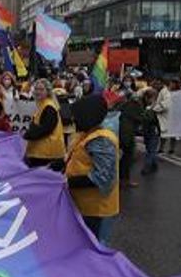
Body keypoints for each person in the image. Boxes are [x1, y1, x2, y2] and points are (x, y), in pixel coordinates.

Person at [65, 94, 120, 242]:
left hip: (96, 210)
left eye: (77, 116)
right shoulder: (87, 133)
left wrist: (68, 182)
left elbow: (103, 178)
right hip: (84, 205)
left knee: (93, 251)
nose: (74, 120)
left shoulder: (101, 139)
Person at [23, 78, 65, 171]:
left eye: (41, 89)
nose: (38, 92)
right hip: (42, 152)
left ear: (48, 91)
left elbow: (46, 128)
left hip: (47, 154)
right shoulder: (42, 105)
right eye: (36, 89)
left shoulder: (49, 107)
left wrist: (27, 135)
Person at [114, 87, 144, 188]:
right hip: (127, 134)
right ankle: (124, 180)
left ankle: (120, 179)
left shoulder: (121, 105)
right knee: (127, 158)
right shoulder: (134, 106)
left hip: (119, 133)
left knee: (122, 158)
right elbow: (140, 118)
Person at [139, 88, 162, 176]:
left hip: (150, 130)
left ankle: (151, 165)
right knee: (150, 149)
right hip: (149, 130)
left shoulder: (154, 107)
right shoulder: (147, 108)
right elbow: (147, 119)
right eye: (152, 98)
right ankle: (150, 165)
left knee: (151, 149)